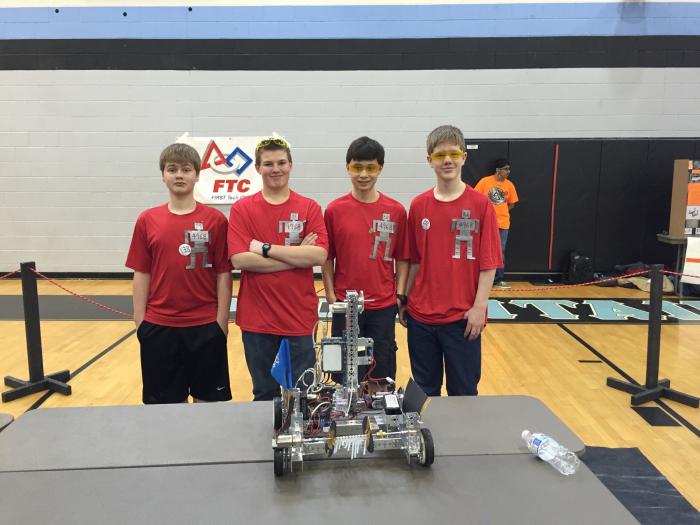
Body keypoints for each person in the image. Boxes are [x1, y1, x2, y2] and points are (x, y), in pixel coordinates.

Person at [126, 143, 233, 404]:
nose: (179, 175)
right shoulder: (147, 220)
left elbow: (223, 273)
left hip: (205, 326)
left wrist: (221, 323)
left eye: (186, 169)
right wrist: (141, 323)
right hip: (159, 328)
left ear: (197, 175)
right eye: (172, 169)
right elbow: (142, 273)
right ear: (163, 175)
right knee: (166, 409)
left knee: (209, 405)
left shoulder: (216, 220)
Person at [399, 125, 502, 396]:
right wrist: (405, 299)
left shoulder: (481, 205)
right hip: (421, 319)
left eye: (454, 154)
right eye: (440, 154)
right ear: (429, 159)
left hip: (463, 319)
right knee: (425, 392)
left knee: (464, 393)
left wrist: (479, 307)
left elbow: (489, 263)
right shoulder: (418, 205)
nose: (447, 160)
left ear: (464, 157)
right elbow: (414, 261)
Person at [228, 137, 328, 401]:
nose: (276, 169)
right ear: (258, 168)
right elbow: (240, 260)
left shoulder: (309, 207)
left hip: (299, 318)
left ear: (290, 165)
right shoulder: (242, 209)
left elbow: (318, 255)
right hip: (257, 321)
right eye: (268, 164)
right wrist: (297, 256)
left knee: (304, 396)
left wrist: (263, 248)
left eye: (281, 162)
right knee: (264, 394)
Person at [322, 136, 409, 382]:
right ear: (347, 167)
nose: (363, 174)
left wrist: (400, 295)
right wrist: (330, 294)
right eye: (357, 167)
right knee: (344, 376)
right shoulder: (334, 210)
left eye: (370, 168)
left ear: (380, 168)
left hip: (383, 306)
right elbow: (327, 258)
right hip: (346, 304)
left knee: (380, 377)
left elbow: (403, 258)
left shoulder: (396, 211)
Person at [474, 158, 518, 289]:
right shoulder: (485, 182)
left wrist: (502, 211)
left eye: (509, 169)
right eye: (506, 169)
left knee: (500, 251)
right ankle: (479, 278)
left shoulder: (509, 185)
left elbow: (512, 203)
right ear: (498, 170)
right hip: (486, 223)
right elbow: (475, 198)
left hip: (503, 223)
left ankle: (497, 280)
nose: (508, 171)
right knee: (483, 249)